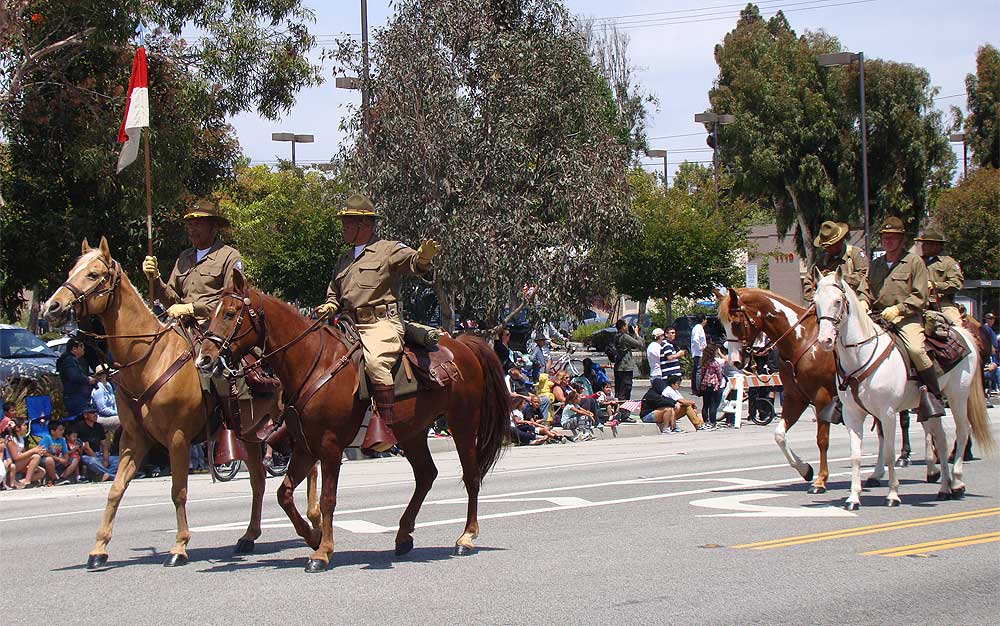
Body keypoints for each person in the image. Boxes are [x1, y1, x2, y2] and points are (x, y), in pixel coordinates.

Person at [315, 194, 439, 451]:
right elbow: (334, 293)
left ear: (365, 225)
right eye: (345, 222)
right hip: (348, 325)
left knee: (375, 363)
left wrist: (423, 258)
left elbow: (413, 263)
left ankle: (385, 426)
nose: (344, 227)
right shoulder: (344, 259)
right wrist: (329, 305)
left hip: (381, 324)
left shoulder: (388, 249)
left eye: (349, 222)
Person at [142, 197, 256, 424]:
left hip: (213, 329)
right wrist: (155, 280)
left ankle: (230, 423)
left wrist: (192, 308)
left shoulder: (229, 256)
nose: (192, 229)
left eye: (198, 224)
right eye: (190, 224)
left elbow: (233, 299)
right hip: (181, 327)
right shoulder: (184, 258)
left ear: (214, 227)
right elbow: (171, 298)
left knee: (220, 372)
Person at [858, 216, 943, 421]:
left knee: (916, 349)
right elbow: (865, 289)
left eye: (893, 237)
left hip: (906, 318)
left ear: (902, 239)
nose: (888, 241)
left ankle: (932, 394)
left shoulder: (914, 262)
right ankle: (844, 395)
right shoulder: (876, 264)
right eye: (885, 237)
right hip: (878, 318)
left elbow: (920, 295)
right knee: (850, 345)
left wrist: (899, 309)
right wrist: (862, 302)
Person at [802, 220, 869, 303]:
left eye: (830, 246)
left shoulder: (855, 254)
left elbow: (865, 278)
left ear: (839, 242)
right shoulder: (822, 261)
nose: (827, 249)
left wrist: (839, 278)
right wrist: (816, 296)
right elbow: (808, 281)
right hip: (829, 309)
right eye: (825, 246)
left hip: (854, 306)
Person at [916, 229, 964, 325]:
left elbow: (957, 284)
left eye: (926, 244)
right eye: (922, 243)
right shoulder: (916, 261)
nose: (922, 246)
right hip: (918, 304)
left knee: (957, 328)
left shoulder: (948, 262)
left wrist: (935, 285)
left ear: (937, 245)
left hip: (943, 305)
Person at [74, 404, 117, 481]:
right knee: (93, 461)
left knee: (117, 459)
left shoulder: (98, 426)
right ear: (85, 415)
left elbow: (104, 445)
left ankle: (106, 475)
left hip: (99, 454)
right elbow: (86, 448)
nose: (95, 414)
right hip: (87, 456)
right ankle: (112, 476)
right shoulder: (81, 426)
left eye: (96, 412)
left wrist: (106, 460)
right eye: (92, 413)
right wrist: (98, 459)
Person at [56, 337, 94, 421]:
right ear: (74, 349)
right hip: (74, 396)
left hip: (78, 396)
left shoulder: (73, 360)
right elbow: (74, 376)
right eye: (82, 348)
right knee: (79, 420)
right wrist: (87, 380)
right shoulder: (69, 361)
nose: (84, 350)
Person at [3, 415, 46, 489]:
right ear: (17, 428)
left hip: (19, 463)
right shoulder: (10, 439)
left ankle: (20, 482)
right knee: (35, 456)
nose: (25, 427)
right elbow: (15, 457)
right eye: (23, 425)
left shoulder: (21, 438)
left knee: (42, 472)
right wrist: (33, 451)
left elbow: (23, 454)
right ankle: (27, 482)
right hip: (11, 464)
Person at [38, 421, 78, 486]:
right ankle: (54, 479)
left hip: (57, 461)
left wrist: (66, 459)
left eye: (63, 429)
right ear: (52, 431)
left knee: (75, 459)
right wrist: (58, 459)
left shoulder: (62, 439)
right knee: (49, 460)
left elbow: (65, 452)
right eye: (60, 430)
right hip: (45, 460)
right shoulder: (47, 438)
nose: (62, 431)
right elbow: (43, 452)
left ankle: (62, 478)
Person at [612, 320, 644, 400]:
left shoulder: (616, 336)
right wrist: (636, 333)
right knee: (626, 389)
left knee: (619, 390)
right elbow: (640, 344)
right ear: (623, 327)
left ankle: (618, 408)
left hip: (618, 367)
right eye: (626, 326)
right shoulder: (625, 337)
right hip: (626, 367)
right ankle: (624, 410)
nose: (627, 327)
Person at [698, 344, 725, 429]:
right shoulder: (715, 363)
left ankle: (705, 421)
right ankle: (713, 422)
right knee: (713, 405)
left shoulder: (703, 362)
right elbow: (719, 374)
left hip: (705, 385)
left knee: (706, 404)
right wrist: (720, 382)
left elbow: (701, 373)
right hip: (713, 385)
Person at [90, 364, 120, 429]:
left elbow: (114, 403)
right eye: (109, 373)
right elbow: (102, 410)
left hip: (112, 415)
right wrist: (117, 413)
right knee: (122, 421)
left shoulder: (109, 385)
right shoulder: (98, 389)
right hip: (100, 417)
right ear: (102, 375)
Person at [690, 315, 708, 396]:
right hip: (699, 353)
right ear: (703, 320)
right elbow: (695, 339)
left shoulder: (697, 327)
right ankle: (697, 389)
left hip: (697, 353)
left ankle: (694, 388)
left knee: (696, 370)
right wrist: (700, 347)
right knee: (698, 371)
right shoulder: (699, 328)